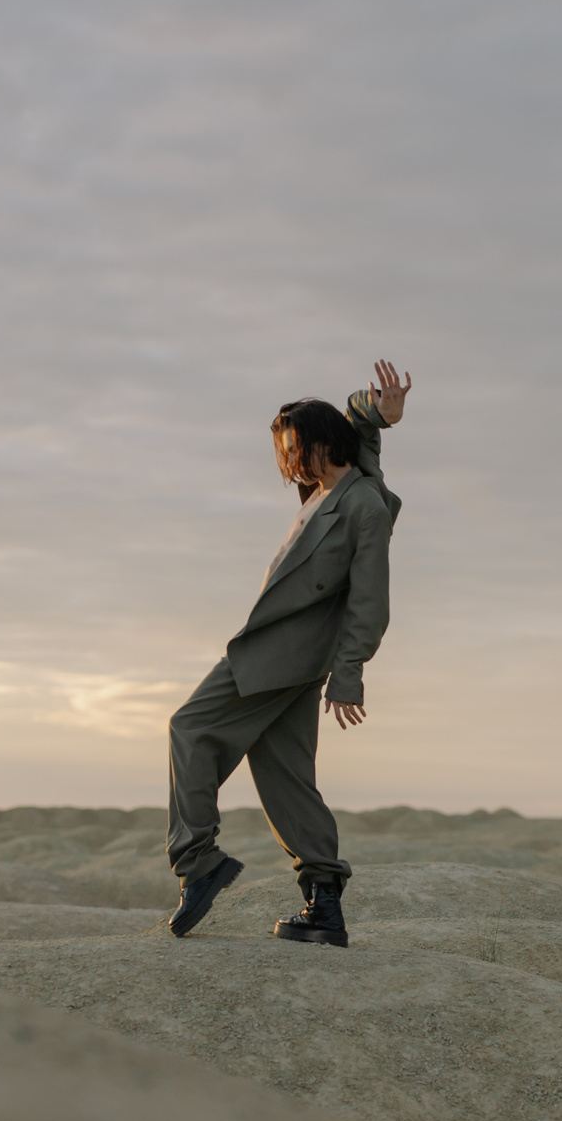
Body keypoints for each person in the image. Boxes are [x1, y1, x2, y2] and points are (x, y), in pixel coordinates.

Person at [165, 359, 411, 948]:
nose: (288, 460)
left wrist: (349, 674)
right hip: (292, 661)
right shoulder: (324, 492)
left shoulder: (362, 504)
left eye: (295, 446)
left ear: (326, 444)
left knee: (190, 729)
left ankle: (198, 861)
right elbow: (357, 416)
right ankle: (324, 905)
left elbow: (370, 601)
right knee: (287, 779)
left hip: (281, 657)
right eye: (284, 449)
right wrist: (376, 410)